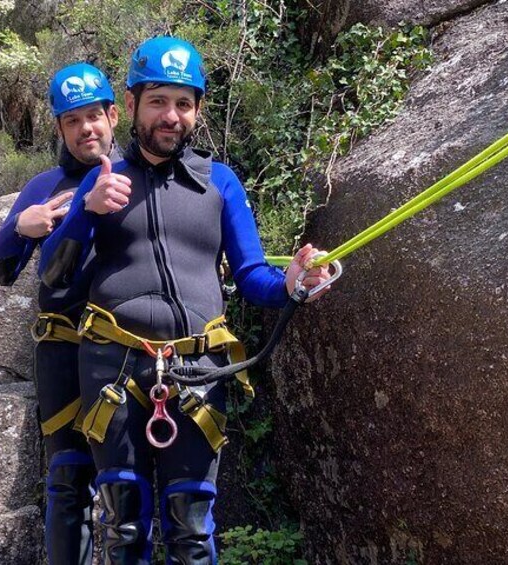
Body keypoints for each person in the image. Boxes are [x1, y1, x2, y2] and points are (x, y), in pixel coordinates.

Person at [39, 37, 332, 563]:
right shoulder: (100, 181)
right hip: (112, 367)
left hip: (198, 370)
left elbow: (250, 277)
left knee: (192, 529)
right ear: (130, 105)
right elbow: (54, 280)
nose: (171, 116)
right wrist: (86, 209)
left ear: (197, 109)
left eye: (183, 103)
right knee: (123, 525)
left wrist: (290, 283)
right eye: (158, 101)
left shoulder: (220, 183)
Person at [0, 62, 121, 565]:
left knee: (130, 485)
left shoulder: (141, 174)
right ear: (59, 128)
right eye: (73, 120)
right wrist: (21, 226)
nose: (87, 129)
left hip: (127, 351)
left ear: (113, 115)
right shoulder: (46, 187)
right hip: (63, 348)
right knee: (66, 480)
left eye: (94, 116)